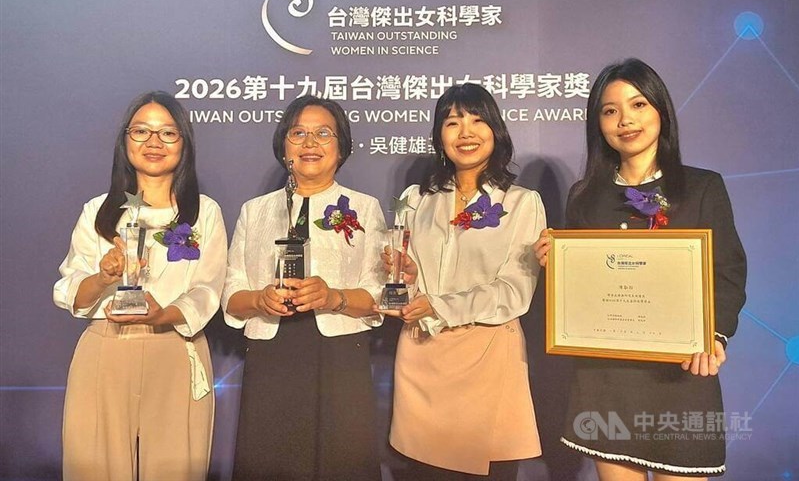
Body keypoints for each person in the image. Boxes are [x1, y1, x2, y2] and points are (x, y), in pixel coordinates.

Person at [534, 58, 747, 480]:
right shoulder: (584, 195)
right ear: (598, 123)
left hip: (683, 373)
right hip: (606, 377)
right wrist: (554, 264)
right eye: (610, 110)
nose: (625, 119)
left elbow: (727, 270)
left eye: (638, 104)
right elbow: (582, 289)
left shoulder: (702, 186)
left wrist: (714, 335)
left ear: (660, 112)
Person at [53, 91, 228, 481]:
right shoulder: (97, 211)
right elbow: (72, 292)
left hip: (175, 349)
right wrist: (103, 276)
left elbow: (207, 289)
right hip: (105, 349)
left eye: (168, 133)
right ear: (124, 140)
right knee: (94, 468)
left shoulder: (205, 212)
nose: (153, 142)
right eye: (142, 131)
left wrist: (163, 314)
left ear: (185, 143)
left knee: (174, 467)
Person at [383, 83, 546, 480]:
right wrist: (405, 277)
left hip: (487, 357)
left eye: (477, 120)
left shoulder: (521, 202)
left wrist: (441, 304)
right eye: (453, 122)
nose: (465, 132)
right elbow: (407, 276)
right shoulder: (416, 199)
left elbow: (515, 289)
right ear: (440, 136)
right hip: (422, 355)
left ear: (496, 130)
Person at [222, 95, 386, 481]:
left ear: (342, 147)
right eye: (298, 133)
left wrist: (335, 297)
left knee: (342, 462)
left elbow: (379, 294)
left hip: (341, 355)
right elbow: (231, 293)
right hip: (272, 357)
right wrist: (260, 300)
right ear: (283, 146)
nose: (310, 143)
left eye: (323, 133)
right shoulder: (254, 210)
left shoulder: (365, 207)